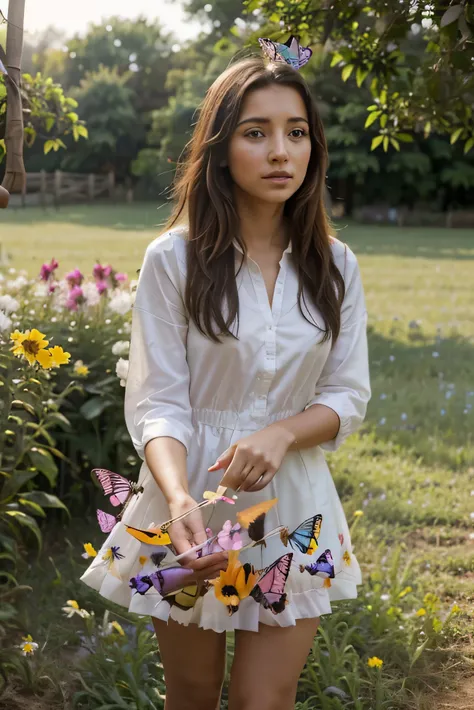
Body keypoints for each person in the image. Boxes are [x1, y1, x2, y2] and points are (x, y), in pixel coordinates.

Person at [81, 43, 371, 710]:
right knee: (190, 692)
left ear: (314, 148)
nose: (281, 151)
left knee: (262, 700)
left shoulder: (337, 265)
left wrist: (283, 435)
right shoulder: (172, 261)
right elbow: (158, 402)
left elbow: (347, 395)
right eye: (256, 132)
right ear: (219, 149)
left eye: (296, 133)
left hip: (295, 504)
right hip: (188, 505)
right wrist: (179, 500)